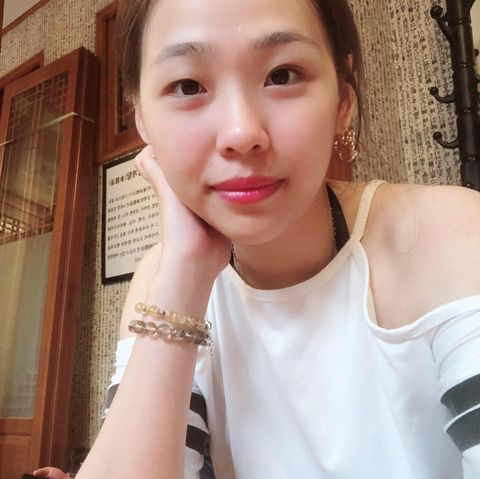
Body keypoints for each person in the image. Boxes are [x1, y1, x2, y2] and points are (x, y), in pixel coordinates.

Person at [39, 0, 480, 477]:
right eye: (188, 86)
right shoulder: (163, 278)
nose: (241, 132)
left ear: (343, 99)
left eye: (282, 75)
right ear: (142, 117)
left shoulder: (448, 235)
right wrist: (184, 274)